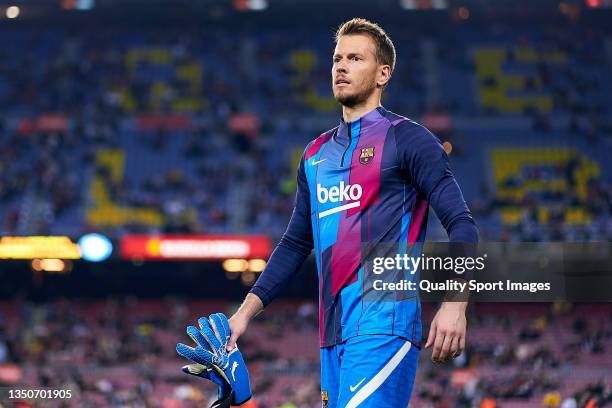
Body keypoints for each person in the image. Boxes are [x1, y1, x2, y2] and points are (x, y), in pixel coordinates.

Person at [226, 18, 478, 407]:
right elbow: (294, 244)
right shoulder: (314, 156)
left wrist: (455, 304)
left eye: (355, 58)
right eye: (337, 58)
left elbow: (463, 225)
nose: (341, 67)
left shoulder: (407, 139)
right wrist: (241, 317)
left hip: (384, 327)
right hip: (332, 336)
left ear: (382, 74)